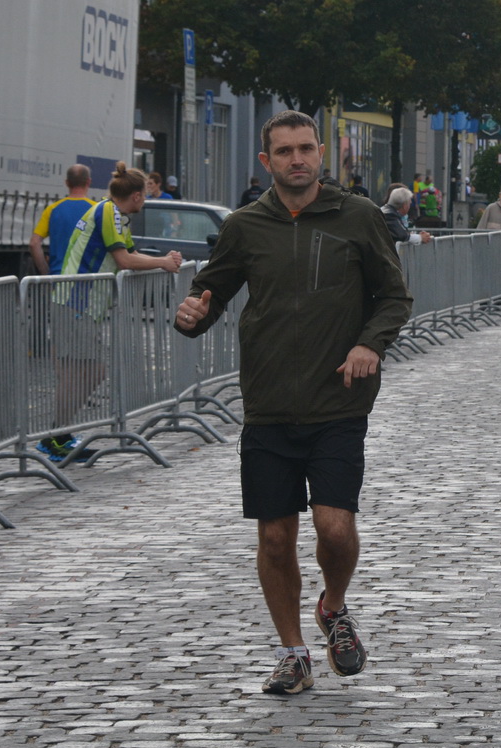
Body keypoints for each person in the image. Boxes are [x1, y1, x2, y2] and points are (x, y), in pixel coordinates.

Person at [174, 110, 411, 695]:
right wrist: (191, 316)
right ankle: (293, 654)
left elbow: (394, 297)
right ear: (267, 161)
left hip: (339, 400)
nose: (296, 160)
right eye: (284, 152)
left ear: (322, 154)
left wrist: (367, 344)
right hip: (269, 403)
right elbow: (211, 293)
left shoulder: (358, 217)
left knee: (334, 528)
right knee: (275, 538)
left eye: (306, 149)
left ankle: (333, 606)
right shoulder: (246, 226)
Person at [46, 162, 185, 463]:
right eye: (145, 196)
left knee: (82, 371)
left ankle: (59, 433)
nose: (145, 201)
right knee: (85, 371)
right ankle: (54, 437)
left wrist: (163, 259)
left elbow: (132, 253)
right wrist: (162, 262)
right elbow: (124, 260)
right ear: (136, 196)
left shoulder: (115, 215)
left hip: (83, 306)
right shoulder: (108, 212)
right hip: (75, 303)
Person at [30, 164, 93, 276]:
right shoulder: (97, 210)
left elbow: (34, 243)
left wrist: (46, 273)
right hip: (88, 280)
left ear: (67, 183)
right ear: (88, 182)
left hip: (59, 279)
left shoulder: (52, 210)